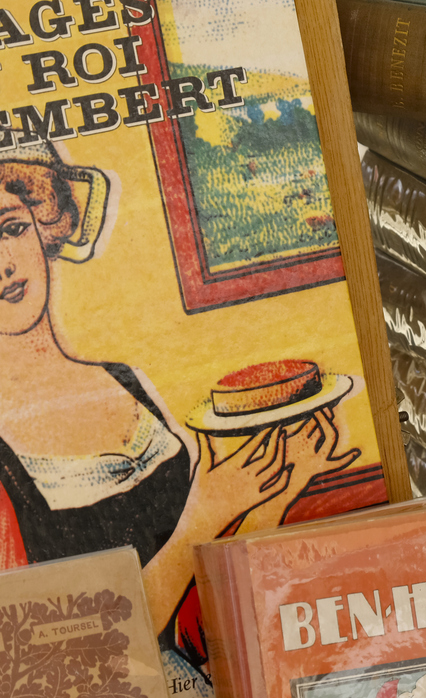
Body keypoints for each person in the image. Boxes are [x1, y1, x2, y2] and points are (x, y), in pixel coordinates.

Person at [0, 140, 356, 660]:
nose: (5, 264)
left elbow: (202, 605)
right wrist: (207, 510)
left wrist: (277, 489)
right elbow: (62, 669)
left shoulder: (126, 381)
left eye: (12, 228)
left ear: (46, 230)